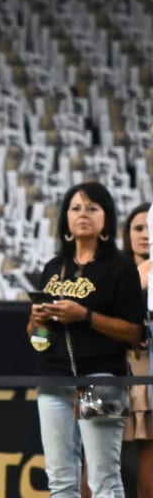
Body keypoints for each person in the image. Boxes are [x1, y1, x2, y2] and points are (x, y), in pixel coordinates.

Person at [30, 183, 144, 498]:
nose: (83, 215)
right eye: (76, 208)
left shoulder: (120, 267)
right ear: (65, 218)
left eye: (92, 208)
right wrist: (37, 322)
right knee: (60, 481)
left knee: (104, 479)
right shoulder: (54, 268)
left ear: (105, 219)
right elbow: (36, 338)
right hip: (53, 379)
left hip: (102, 377)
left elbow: (135, 333)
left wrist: (85, 315)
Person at [127, 203, 153, 498]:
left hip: (150, 369)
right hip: (119, 369)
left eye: (150, 227)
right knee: (99, 464)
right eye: (138, 228)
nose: (146, 234)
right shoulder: (113, 269)